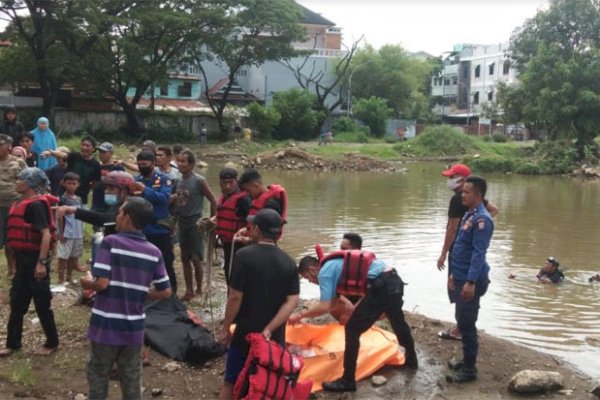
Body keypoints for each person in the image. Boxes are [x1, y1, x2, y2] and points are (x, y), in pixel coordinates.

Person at [81, 197, 171, 400]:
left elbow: (101, 284)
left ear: (127, 218)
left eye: (120, 213)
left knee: (98, 374)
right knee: (131, 377)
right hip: (134, 327)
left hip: (105, 325)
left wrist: (87, 282)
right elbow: (165, 291)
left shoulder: (110, 242)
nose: (117, 217)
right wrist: (141, 292)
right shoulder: (154, 252)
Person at [291, 251, 417, 392]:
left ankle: (347, 381)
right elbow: (332, 303)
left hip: (381, 285)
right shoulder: (333, 266)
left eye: (308, 278)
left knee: (352, 330)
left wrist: (300, 314)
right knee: (397, 322)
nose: (310, 282)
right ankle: (412, 361)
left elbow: (325, 306)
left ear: (312, 269)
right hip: (394, 280)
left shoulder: (324, 273)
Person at [218, 208, 299, 400]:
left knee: (231, 381)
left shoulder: (244, 256)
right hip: (274, 338)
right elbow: (292, 301)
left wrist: (225, 327)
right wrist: (270, 328)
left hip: (246, 333)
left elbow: (235, 296)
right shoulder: (288, 262)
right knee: (267, 385)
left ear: (255, 229)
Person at [0, 167, 59, 357]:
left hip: (35, 260)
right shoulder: (21, 202)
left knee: (42, 304)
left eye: (22, 179)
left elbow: (46, 234)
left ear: (32, 183)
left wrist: (41, 263)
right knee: (17, 302)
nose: (17, 182)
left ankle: (52, 341)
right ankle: (13, 343)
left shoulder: (37, 206)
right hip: (23, 261)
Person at [437, 163, 498, 341]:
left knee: (461, 291)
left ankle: (462, 329)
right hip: (466, 249)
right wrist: (476, 227)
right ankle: (464, 326)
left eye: (451, 178)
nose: (449, 181)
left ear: (462, 180)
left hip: (460, 251)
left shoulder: (458, 200)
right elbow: (494, 210)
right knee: (463, 292)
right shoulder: (474, 203)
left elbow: (452, 228)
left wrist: (443, 254)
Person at [445, 176, 494, 384]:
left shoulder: (483, 220)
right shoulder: (470, 214)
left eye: (466, 192)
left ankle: (469, 369)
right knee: (462, 319)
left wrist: (470, 282)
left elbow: (478, 253)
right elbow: (460, 248)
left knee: (467, 323)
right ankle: (466, 361)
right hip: (461, 276)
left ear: (478, 195)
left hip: (470, 280)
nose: (462, 195)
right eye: (462, 191)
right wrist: (453, 275)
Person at [173, 149, 217, 300]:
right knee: (184, 258)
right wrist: (173, 225)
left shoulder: (199, 181)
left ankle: (199, 290)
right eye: (178, 161)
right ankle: (189, 290)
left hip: (195, 223)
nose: (180, 164)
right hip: (182, 223)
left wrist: (212, 221)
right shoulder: (179, 181)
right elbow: (177, 206)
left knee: (197, 258)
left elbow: (213, 200)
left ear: (192, 165)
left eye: (183, 161)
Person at [134, 150, 177, 294]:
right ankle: (144, 292)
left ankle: (171, 294)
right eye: (139, 164)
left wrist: (144, 190)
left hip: (160, 229)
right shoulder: (136, 179)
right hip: (141, 229)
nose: (141, 167)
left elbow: (164, 198)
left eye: (144, 164)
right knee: (142, 263)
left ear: (153, 164)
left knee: (166, 262)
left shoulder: (164, 179)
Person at [213, 167, 251, 284]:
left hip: (241, 244)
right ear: (220, 183)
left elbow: (252, 222)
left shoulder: (244, 200)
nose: (228, 186)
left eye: (231, 183)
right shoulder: (224, 198)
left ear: (237, 182)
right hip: (227, 243)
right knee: (228, 272)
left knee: (237, 273)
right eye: (224, 183)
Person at [42, 136, 101, 204]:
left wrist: (85, 187)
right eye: (83, 145)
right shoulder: (74, 156)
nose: (84, 147)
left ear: (93, 148)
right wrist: (51, 152)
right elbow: (62, 155)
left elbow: (95, 183)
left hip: (81, 196)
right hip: (64, 193)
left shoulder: (96, 165)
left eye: (87, 146)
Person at [236, 168, 287, 244]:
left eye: (248, 191)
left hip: (265, 248)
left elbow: (269, 234)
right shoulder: (257, 199)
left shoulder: (271, 204)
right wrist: (246, 229)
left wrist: (250, 240)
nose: (247, 194)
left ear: (255, 186)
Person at [0, 134, 27, 276]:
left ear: (9, 147)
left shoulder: (19, 162)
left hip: (15, 206)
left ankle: (13, 267)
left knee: (13, 238)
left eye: (1, 144)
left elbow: (30, 179)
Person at [56, 172, 86, 283]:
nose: (71, 186)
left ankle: (68, 278)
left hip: (78, 233)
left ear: (78, 185)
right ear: (64, 184)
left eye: (74, 183)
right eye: (69, 183)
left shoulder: (79, 199)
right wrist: (60, 233)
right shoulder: (62, 199)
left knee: (72, 257)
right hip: (67, 233)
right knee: (63, 257)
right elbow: (60, 217)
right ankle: (60, 280)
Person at [91, 142, 124, 214]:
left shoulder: (117, 167)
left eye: (104, 152)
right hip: (97, 201)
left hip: (111, 201)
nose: (101, 154)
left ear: (111, 153)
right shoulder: (96, 166)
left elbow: (122, 186)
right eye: (100, 151)